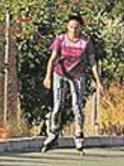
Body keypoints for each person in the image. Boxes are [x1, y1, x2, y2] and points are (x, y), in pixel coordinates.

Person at [41, 14, 103, 154]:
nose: (73, 30)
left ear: (81, 28)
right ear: (67, 27)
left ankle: (79, 135)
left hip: (77, 76)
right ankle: (53, 134)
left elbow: (93, 62)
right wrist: (48, 77)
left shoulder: (85, 42)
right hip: (60, 74)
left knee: (77, 106)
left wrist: (98, 81)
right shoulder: (61, 40)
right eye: (71, 27)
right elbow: (52, 59)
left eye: (76, 27)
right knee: (58, 105)